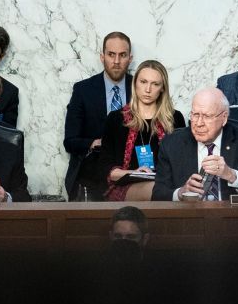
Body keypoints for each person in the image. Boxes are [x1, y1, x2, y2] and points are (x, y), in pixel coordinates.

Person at [153, 87, 238, 201]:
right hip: (190, 217)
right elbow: (158, 195)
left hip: (232, 217)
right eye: (195, 115)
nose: (199, 123)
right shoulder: (172, 144)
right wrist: (180, 193)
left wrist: (232, 176)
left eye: (207, 116)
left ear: (224, 118)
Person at [97, 60, 181, 203]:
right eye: (143, 82)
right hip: (125, 185)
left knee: (166, 188)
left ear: (162, 88)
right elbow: (106, 168)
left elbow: (180, 161)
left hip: (166, 184)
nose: (148, 89)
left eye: (155, 84)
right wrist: (134, 173)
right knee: (159, 189)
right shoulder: (116, 119)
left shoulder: (174, 118)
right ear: (135, 83)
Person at [62, 32, 133, 199]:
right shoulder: (83, 90)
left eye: (122, 55)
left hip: (132, 172)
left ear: (130, 58)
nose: (116, 61)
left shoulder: (141, 87)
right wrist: (96, 143)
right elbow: (70, 141)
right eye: (111, 55)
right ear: (102, 57)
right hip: (91, 173)